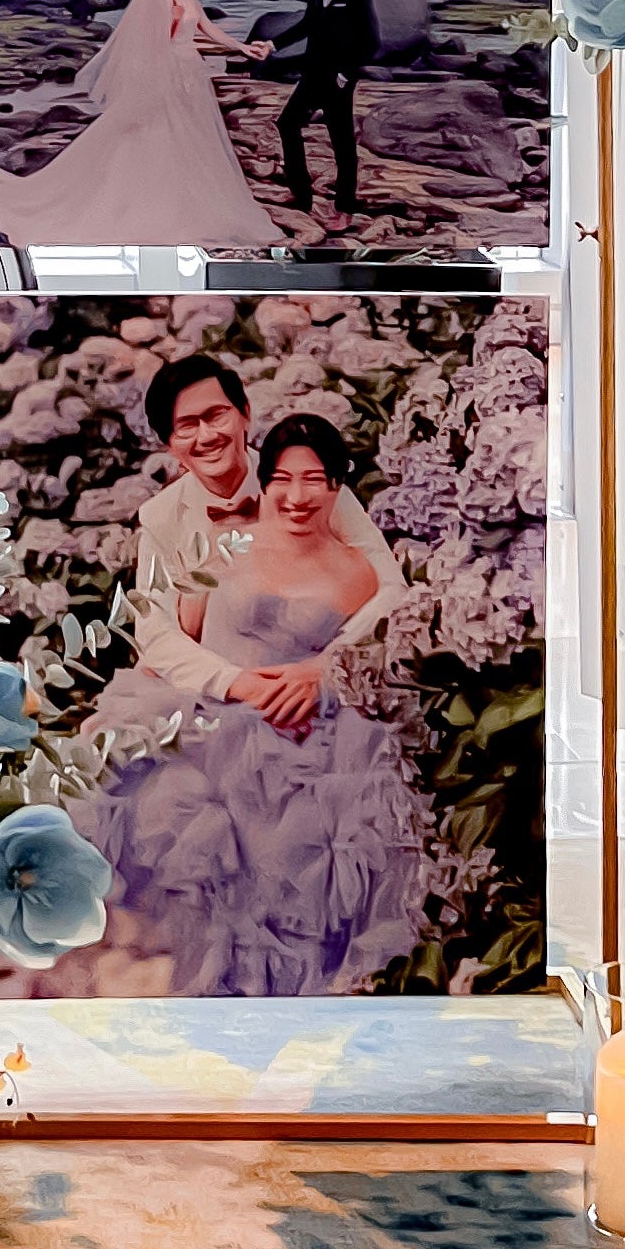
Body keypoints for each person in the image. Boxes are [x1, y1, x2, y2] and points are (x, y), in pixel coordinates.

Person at [76, 413, 422, 997]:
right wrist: (217, 688)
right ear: (265, 482)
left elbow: (371, 638)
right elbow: (169, 642)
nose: (296, 495)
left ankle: (270, 989)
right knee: (176, 814)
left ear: (338, 487)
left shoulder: (359, 574)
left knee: (298, 842)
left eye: (315, 479)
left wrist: (322, 671)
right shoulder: (223, 551)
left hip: (304, 728)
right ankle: (172, 976)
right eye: (282, 478)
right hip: (214, 710)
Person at [0, 0, 286, 248]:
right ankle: (159, 197)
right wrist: (199, 55)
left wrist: (242, 47)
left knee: (195, 134)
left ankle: (193, 193)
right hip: (172, 74)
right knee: (163, 134)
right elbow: (164, 45)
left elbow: (207, 29)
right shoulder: (159, 1)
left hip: (192, 75)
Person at [118, 352, 403, 687]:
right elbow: (154, 630)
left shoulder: (303, 478)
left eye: (216, 416)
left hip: (308, 676)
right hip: (209, 689)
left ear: (245, 415)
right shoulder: (162, 515)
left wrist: (328, 666)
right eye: (187, 426)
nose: (207, 436)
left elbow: (392, 587)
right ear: (169, 445)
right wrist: (234, 684)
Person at [248, 0, 379, 232]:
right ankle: (301, 194)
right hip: (312, 73)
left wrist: (347, 75)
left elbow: (371, 41)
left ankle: (345, 207)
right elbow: (306, 25)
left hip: (337, 80)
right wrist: (273, 44)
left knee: (342, 142)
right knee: (288, 124)